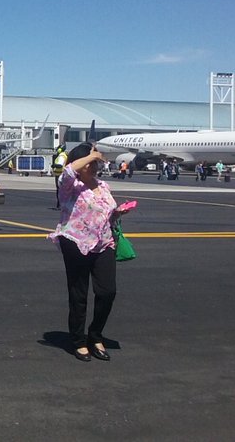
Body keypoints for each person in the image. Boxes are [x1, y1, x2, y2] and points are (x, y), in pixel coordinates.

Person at [47, 143, 133, 362]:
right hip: (76, 243)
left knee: (107, 292)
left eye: (96, 162)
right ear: (81, 163)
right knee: (79, 294)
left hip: (103, 243)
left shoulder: (103, 186)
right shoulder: (69, 186)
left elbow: (106, 212)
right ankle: (78, 340)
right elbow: (67, 170)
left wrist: (117, 213)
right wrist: (90, 154)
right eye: (92, 163)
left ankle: (95, 335)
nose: (95, 166)